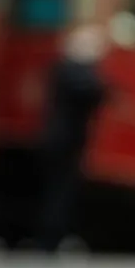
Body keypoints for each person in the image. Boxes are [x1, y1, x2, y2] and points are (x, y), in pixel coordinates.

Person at [31, 23, 109, 254]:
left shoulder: (66, 69)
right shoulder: (73, 70)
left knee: (58, 189)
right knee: (59, 191)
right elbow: (92, 90)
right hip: (64, 140)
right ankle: (50, 237)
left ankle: (50, 235)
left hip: (62, 139)